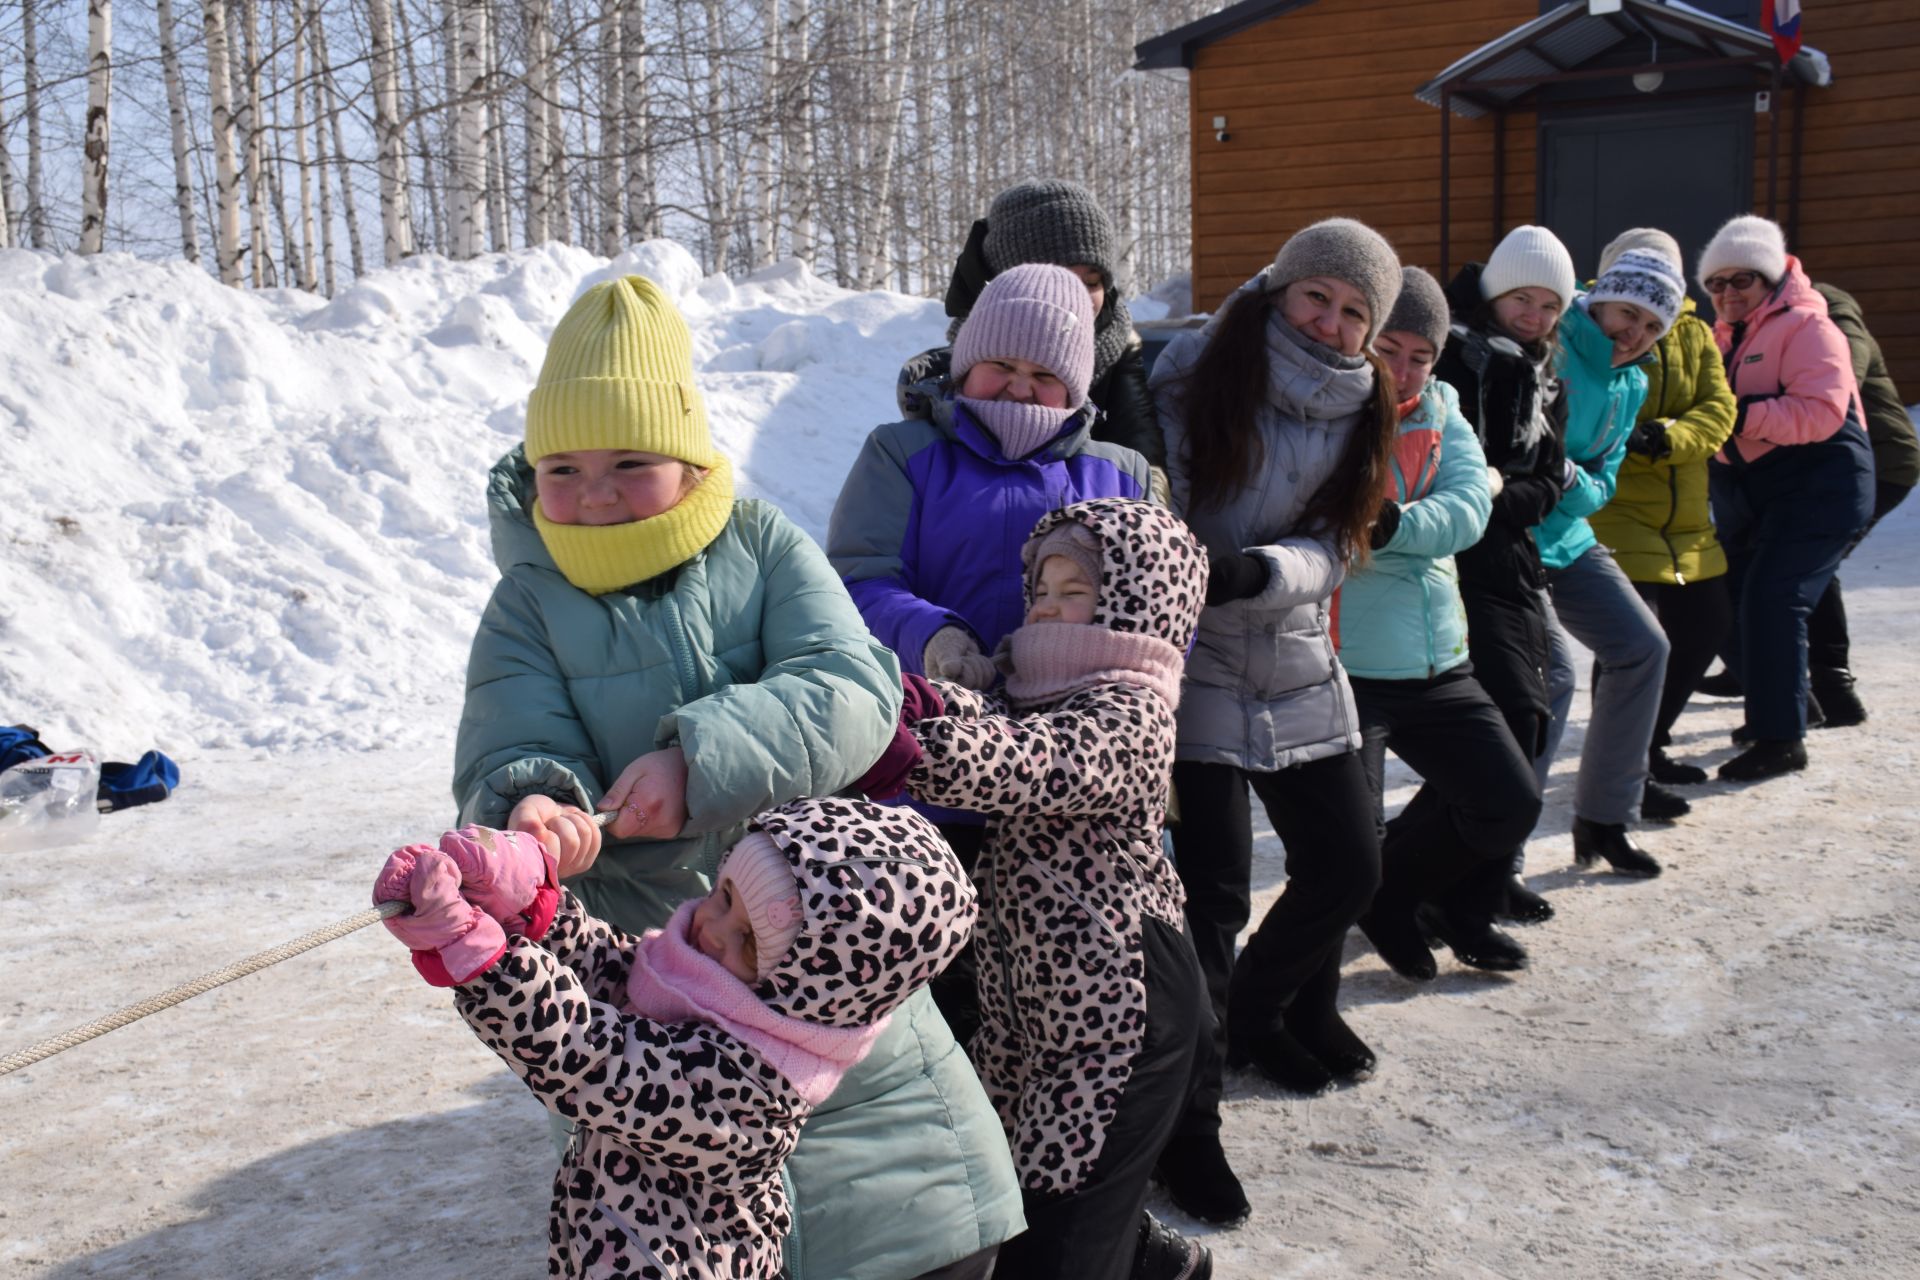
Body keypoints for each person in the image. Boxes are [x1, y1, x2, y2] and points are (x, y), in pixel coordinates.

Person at [451, 275, 1021, 1280]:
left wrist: (700, 757)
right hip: (640, 977)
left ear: (689, 455)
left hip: (814, 945)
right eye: (563, 466)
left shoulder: (758, 546)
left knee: (915, 1219)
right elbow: (507, 736)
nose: (594, 493)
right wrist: (533, 801)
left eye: (631, 461)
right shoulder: (526, 600)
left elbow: (854, 686)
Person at [373, 799, 977, 1280]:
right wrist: (529, 908)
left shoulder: (755, 1094)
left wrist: (485, 959)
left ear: (811, 992)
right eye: (726, 899)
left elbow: (597, 1060)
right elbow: (609, 976)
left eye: (749, 944)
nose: (713, 931)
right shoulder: (701, 983)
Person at [860, 498, 1218, 1278]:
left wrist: (905, 749)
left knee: (1058, 1220)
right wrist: (919, 699)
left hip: (1121, 1008)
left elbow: (1036, 761)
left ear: (1135, 602)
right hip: (1030, 1004)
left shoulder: (1133, 710)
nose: (1049, 608)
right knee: (1018, 1194)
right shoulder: (1035, 692)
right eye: (1042, 590)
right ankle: (1146, 1260)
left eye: (1075, 591)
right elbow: (993, 717)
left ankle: (1124, 1253)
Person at [829, 263, 1149, 1047]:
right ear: (966, 358)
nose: (1016, 388)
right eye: (1000, 365)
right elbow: (856, 578)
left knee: (1052, 970)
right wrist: (932, 635)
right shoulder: (903, 453)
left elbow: (1157, 605)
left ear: (1075, 390)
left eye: (1044, 376)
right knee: (938, 965)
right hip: (931, 760)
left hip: (1061, 769)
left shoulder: (1120, 473)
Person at [1150, 218, 1398, 1110]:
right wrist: (1200, 569)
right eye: (1316, 297)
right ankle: (1193, 1111)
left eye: (1353, 313)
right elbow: (1155, 500)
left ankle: (1258, 1015)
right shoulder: (1193, 369)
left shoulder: (1367, 403)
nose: (1329, 323)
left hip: (1292, 646)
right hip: (1194, 656)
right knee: (1213, 897)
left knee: (1349, 862)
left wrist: (1263, 571)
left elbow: (1342, 541)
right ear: (1281, 287)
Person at [1345, 267, 1543, 979]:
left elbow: (1471, 508)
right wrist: (1404, 527)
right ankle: (1363, 913)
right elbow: (1335, 521)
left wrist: (1394, 524)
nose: (1402, 371)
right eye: (1388, 350)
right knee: (1348, 844)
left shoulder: (1443, 409)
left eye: (1419, 356)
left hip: (1435, 654)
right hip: (1346, 662)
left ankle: (1394, 898)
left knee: (1508, 802)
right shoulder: (1334, 409)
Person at [1434, 226, 1578, 918]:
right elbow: (1447, 469)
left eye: (1550, 306)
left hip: (1514, 559)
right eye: (1523, 298)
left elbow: (1549, 482)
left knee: (1535, 707)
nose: (1536, 316)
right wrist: (1484, 494)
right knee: (1504, 719)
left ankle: (1477, 879)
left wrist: (1495, 494)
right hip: (1451, 559)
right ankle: (1448, 885)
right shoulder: (1458, 358)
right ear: (1495, 293)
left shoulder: (1546, 375)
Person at [1700, 215, 1874, 781]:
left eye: (1741, 280)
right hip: (1757, 491)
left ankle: (1781, 737)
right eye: (1716, 284)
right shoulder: (1723, 336)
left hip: (1821, 485)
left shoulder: (1808, 326)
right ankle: (1789, 704)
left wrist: (1734, 417)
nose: (1727, 293)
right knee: (1723, 596)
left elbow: (1821, 412)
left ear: (1770, 278)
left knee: (1774, 599)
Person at [1534, 246, 1677, 877]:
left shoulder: (1633, 381)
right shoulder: (1553, 343)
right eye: (1629, 313)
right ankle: (1495, 858)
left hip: (1568, 535)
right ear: (1600, 300)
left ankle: (1605, 817)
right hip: (1513, 536)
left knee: (1644, 647)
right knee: (1547, 681)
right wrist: (1568, 478)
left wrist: (1572, 480)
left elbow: (1602, 482)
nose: (1636, 334)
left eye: (1652, 327)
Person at [898, 178, 1169, 499]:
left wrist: (1145, 519)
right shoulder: (964, 369)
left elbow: (1143, 456)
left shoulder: (1116, 342)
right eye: (1060, 278)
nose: (1078, 296)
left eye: (1093, 281)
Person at [1586, 229, 1738, 791]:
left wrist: (1669, 439)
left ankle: (1648, 746)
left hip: (1688, 515)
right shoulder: (1594, 330)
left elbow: (1719, 406)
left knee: (1706, 625)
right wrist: (1634, 439)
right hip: (1616, 508)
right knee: (1635, 637)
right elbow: (1593, 410)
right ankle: (1622, 772)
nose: (1641, 326)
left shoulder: (1695, 334)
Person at [1802, 283, 1917, 725]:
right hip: (1841, 464)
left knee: (1812, 562)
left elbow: (1845, 367)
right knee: (1793, 561)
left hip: (1881, 462)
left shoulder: (1829, 307)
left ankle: (1834, 687)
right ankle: (1754, 669)